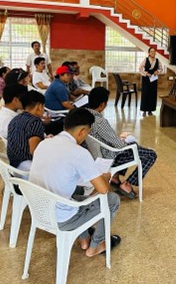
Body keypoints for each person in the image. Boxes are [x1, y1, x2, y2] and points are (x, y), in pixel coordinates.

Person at [30, 108, 121, 256]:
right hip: (61, 219)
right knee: (112, 200)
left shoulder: (44, 143)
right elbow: (103, 190)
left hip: (39, 210)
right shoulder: (79, 153)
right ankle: (95, 246)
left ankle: (84, 239)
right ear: (82, 131)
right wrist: (105, 176)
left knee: (75, 193)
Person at [88, 87, 157, 199]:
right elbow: (119, 146)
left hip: (97, 154)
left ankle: (115, 176)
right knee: (150, 154)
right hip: (109, 157)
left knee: (130, 145)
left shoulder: (84, 115)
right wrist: (126, 141)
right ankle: (127, 184)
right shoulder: (100, 122)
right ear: (102, 104)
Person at [7, 90, 46, 171]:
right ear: (39, 106)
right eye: (44, 107)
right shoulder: (35, 122)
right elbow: (34, 151)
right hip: (28, 167)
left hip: (14, 165)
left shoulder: (15, 119)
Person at [139, 47, 163, 116]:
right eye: (151, 51)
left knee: (152, 94)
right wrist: (146, 73)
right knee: (145, 94)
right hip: (146, 79)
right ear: (149, 53)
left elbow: (161, 69)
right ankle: (144, 110)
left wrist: (157, 71)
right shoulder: (145, 60)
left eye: (154, 51)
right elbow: (140, 69)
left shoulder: (157, 60)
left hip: (154, 79)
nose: (153, 53)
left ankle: (150, 110)